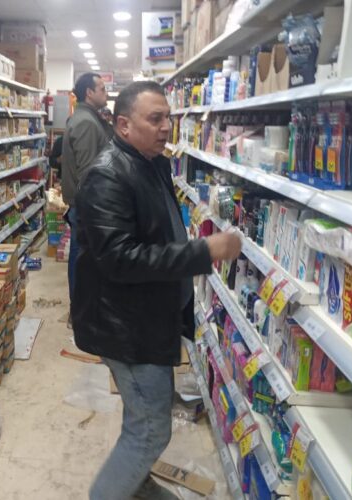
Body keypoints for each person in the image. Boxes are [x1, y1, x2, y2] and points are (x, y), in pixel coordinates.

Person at [73, 81, 242, 500]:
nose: (167, 126)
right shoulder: (107, 176)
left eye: (168, 117)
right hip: (126, 328)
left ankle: (134, 484)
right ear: (124, 125)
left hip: (147, 317)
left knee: (142, 419)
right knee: (150, 431)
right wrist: (203, 251)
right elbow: (120, 259)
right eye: (155, 119)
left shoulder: (152, 162)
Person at [61, 72, 111, 308]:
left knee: (81, 255)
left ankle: (81, 306)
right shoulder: (86, 123)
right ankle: (80, 308)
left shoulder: (87, 118)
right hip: (87, 206)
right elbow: (88, 173)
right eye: (102, 88)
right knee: (81, 257)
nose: (106, 93)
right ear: (89, 93)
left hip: (84, 204)